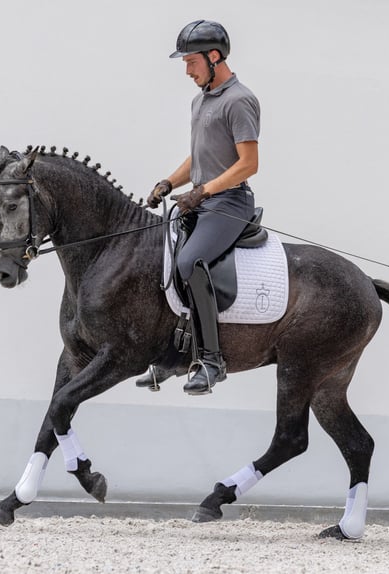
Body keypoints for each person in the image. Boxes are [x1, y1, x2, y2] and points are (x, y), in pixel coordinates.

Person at [147, 20, 260, 395]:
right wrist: (169, 182)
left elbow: (248, 164)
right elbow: (197, 156)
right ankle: (175, 356)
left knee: (188, 262)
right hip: (202, 199)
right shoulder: (200, 100)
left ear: (214, 57)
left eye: (191, 61)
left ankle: (212, 362)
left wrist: (203, 192)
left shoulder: (239, 99)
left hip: (230, 202)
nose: (187, 69)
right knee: (157, 258)